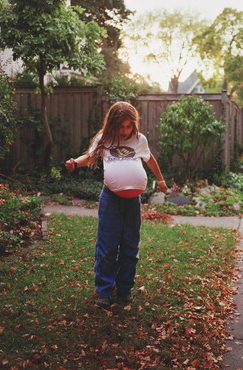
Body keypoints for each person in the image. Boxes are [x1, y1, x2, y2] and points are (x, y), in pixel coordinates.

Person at [65, 101, 168, 309]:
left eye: (129, 126)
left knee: (130, 245)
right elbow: (90, 157)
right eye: (121, 126)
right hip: (110, 199)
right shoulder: (104, 138)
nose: (125, 131)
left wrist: (161, 179)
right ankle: (104, 291)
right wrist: (75, 162)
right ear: (112, 123)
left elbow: (150, 160)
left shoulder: (139, 140)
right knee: (108, 245)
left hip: (133, 201)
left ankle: (124, 288)